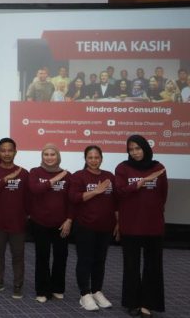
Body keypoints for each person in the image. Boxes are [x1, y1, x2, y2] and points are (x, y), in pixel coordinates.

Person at [115, 135, 168, 317]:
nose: (135, 152)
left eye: (138, 148)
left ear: (145, 148)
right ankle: (133, 303)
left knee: (153, 266)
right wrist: (138, 184)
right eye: (131, 149)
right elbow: (119, 192)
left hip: (153, 225)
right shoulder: (122, 168)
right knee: (131, 266)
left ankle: (148, 304)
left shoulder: (158, 168)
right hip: (130, 225)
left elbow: (163, 195)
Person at [69, 145, 117, 311]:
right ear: (85, 159)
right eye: (90, 157)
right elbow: (74, 198)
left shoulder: (109, 176)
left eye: (97, 157)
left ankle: (97, 291)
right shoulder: (78, 176)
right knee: (85, 260)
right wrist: (96, 191)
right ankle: (85, 294)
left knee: (100, 260)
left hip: (106, 226)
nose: (94, 160)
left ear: (101, 158)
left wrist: (118, 222)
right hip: (85, 226)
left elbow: (115, 202)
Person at [0, 137, 29, 299]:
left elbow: (28, 198)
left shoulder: (23, 173)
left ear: (15, 152)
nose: (7, 153)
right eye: (3, 150)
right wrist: (5, 180)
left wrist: (26, 215)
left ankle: (18, 285)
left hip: (18, 222)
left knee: (18, 255)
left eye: (10, 150)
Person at [28, 144, 72, 303]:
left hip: (61, 224)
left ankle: (57, 288)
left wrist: (69, 219)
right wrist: (56, 179)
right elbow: (35, 189)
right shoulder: (35, 172)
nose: (49, 157)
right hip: (40, 222)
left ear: (58, 156)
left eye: (52, 154)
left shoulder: (68, 175)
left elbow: (71, 200)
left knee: (61, 256)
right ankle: (42, 290)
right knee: (42, 257)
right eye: (46, 154)